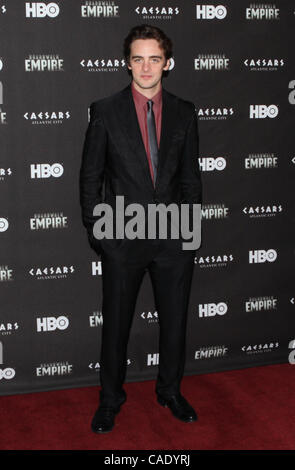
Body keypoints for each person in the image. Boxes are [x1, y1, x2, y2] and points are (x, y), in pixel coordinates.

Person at [79, 24, 202, 434]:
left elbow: (190, 179)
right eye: (138, 58)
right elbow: (90, 178)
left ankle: (170, 391)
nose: (146, 67)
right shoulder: (105, 111)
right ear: (126, 62)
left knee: (175, 322)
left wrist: (189, 234)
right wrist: (101, 234)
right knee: (115, 326)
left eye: (154, 58)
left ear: (167, 64)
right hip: (122, 236)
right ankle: (110, 400)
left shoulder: (185, 112)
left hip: (173, 239)